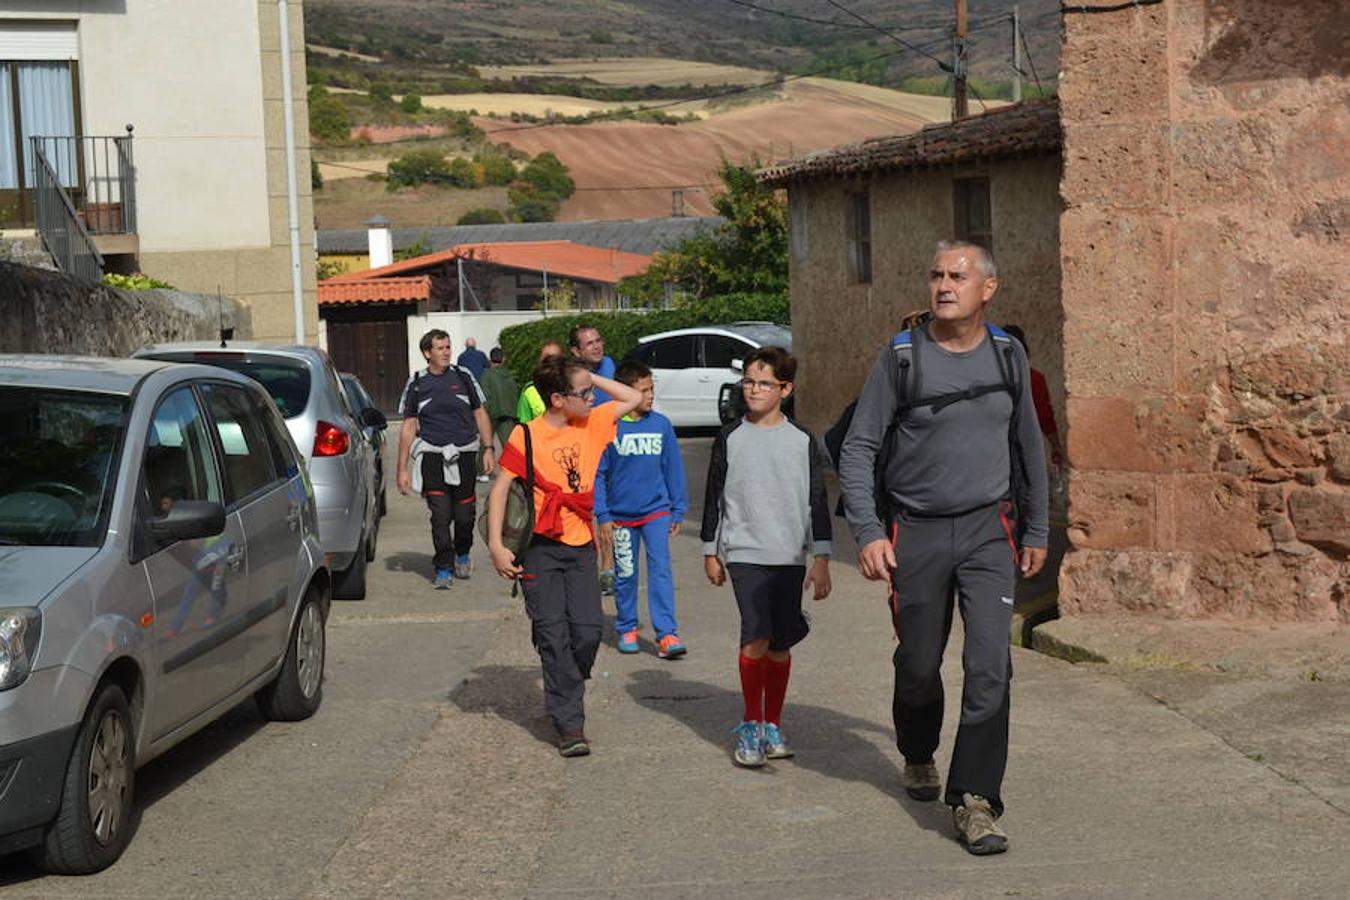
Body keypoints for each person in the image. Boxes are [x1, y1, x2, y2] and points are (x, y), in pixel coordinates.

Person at [838, 241, 1048, 856]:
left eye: (958, 275)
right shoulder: (902, 359)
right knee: (919, 666)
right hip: (917, 532)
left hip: (989, 530)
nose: (943, 285)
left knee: (990, 665)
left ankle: (976, 800)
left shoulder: (1009, 357)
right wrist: (869, 532)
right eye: (936, 275)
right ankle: (918, 750)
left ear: (989, 289)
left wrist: (1036, 530)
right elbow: (857, 447)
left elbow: (1029, 450)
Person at [487, 355, 642, 757]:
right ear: (557, 399)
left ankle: (563, 676)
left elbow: (634, 396)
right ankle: (570, 723)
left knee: (588, 631)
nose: (591, 397)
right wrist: (495, 546)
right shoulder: (527, 435)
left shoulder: (592, 423)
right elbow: (501, 488)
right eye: (584, 392)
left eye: (591, 390)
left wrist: (589, 375)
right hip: (539, 547)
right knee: (556, 637)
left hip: (580, 547)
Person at [701, 346, 832, 769]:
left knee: (779, 643)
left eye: (763, 383)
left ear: (785, 388)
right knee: (755, 634)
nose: (753, 390)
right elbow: (714, 497)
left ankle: (773, 724)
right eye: (749, 381)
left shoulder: (802, 441)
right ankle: (751, 723)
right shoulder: (729, 437)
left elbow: (817, 499)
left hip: (790, 554)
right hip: (744, 552)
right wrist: (710, 550)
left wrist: (822, 557)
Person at [595, 359, 689, 659]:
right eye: (644, 390)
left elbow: (673, 468)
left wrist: (678, 508)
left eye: (652, 389)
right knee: (626, 572)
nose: (650, 395)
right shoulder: (610, 426)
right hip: (621, 517)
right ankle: (626, 627)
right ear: (625, 393)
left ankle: (667, 634)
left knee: (661, 569)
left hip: (656, 512)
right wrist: (604, 515)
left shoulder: (661, 425)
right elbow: (599, 474)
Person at [397, 329, 497, 589]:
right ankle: (444, 567)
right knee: (440, 515)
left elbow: (480, 414)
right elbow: (408, 426)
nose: (446, 352)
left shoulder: (464, 376)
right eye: (440, 348)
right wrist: (402, 469)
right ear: (427, 353)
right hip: (432, 455)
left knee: (464, 515)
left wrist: (488, 448)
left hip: (464, 454)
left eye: (448, 347)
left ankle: (462, 553)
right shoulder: (417, 382)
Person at [569, 323, 619, 593]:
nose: (597, 346)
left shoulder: (611, 365)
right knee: (599, 511)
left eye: (599, 340)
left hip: (616, 444)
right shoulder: (572, 376)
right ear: (576, 350)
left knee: (617, 505)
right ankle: (605, 567)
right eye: (589, 343)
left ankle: (615, 561)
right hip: (590, 447)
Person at [1001, 325, 1064, 470]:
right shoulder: (1034, 379)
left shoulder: (988, 380)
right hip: (1023, 448)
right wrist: (1055, 445)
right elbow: (1044, 416)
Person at [479, 345, 520, 451]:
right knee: (511, 449)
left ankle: (479, 467)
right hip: (508, 415)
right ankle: (513, 467)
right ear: (504, 359)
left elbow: (484, 395)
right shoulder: (510, 375)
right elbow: (515, 394)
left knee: (485, 447)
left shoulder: (486, 375)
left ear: (490, 359)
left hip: (491, 415)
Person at [516, 339, 565, 424]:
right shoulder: (529, 392)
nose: (550, 361)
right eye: (546, 358)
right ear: (539, 361)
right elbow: (525, 426)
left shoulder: (573, 385)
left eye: (555, 357)